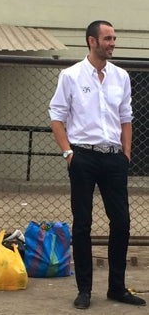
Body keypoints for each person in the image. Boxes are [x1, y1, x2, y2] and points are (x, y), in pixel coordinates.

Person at [49, 20, 146, 309]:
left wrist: (125, 153)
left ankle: (117, 287)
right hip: (83, 157)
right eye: (107, 38)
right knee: (82, 225)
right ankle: (84, 290)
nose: (112, 42)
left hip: (113, 157)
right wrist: (68, 153)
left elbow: (126, 117)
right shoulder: (71, 76)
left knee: (122, 223)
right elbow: (57, 117)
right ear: (92, 41)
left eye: (114, 37)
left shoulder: (121, 77)